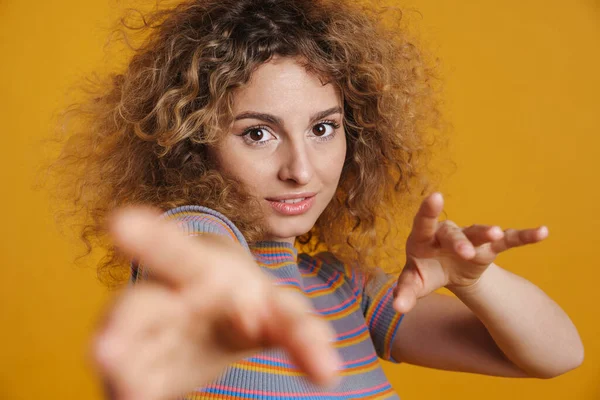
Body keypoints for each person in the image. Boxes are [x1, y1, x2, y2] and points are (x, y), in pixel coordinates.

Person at [51, 0, 584, 399]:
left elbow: (558, 355)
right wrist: (228, 294)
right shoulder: (195, 238)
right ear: (194, 144)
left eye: (324, 128)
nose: (300, 169)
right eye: (258, 133)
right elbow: (200, 254)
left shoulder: (344, 290)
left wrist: (476, 280)